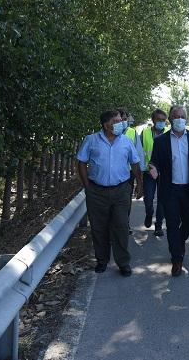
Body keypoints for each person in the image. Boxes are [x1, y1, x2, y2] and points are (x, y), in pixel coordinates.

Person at [77, 110, 143, 277]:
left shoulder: (127, 141)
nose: (121, 123)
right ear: (106, 125)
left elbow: (135, 163)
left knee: (121, 226)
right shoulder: (91, 140)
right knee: (99, 227)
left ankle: (123, 262)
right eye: (117, 121)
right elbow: (81, 162)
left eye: (121, 120)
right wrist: (87, 186)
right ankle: (102, 260)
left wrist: (139, 184)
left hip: (121, 190)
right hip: (97, 191)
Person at [148, 106, 189, 276]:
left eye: (182, 116)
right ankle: (176, 259)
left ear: (186, 119)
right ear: (170, 119)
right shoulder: (161, 141)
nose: (179, 119)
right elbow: (154, 161)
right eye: (176, 116)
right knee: (172, 225)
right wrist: (153, 168)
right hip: (169, 189)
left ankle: (179, 242)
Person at [118, 108, 146, 234]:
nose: (122, 122)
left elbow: (138, 154)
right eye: (120, 120)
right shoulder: (108, 132)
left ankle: (125, 224)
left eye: (124, 120)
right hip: (112, 174)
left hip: (128, 173)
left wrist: (140, 180)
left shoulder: (132, 133)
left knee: (126, 200)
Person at [141, 109, 168, 236]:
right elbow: (140, 153)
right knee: (149, 198)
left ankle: (158, 226)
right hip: (148, 172)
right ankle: (149, 213)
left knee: (162, 199)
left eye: (163, 120)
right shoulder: (145, 133)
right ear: (153, 120)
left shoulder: (169, 133)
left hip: (163, 173)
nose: (161, 122)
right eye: (159, 120)